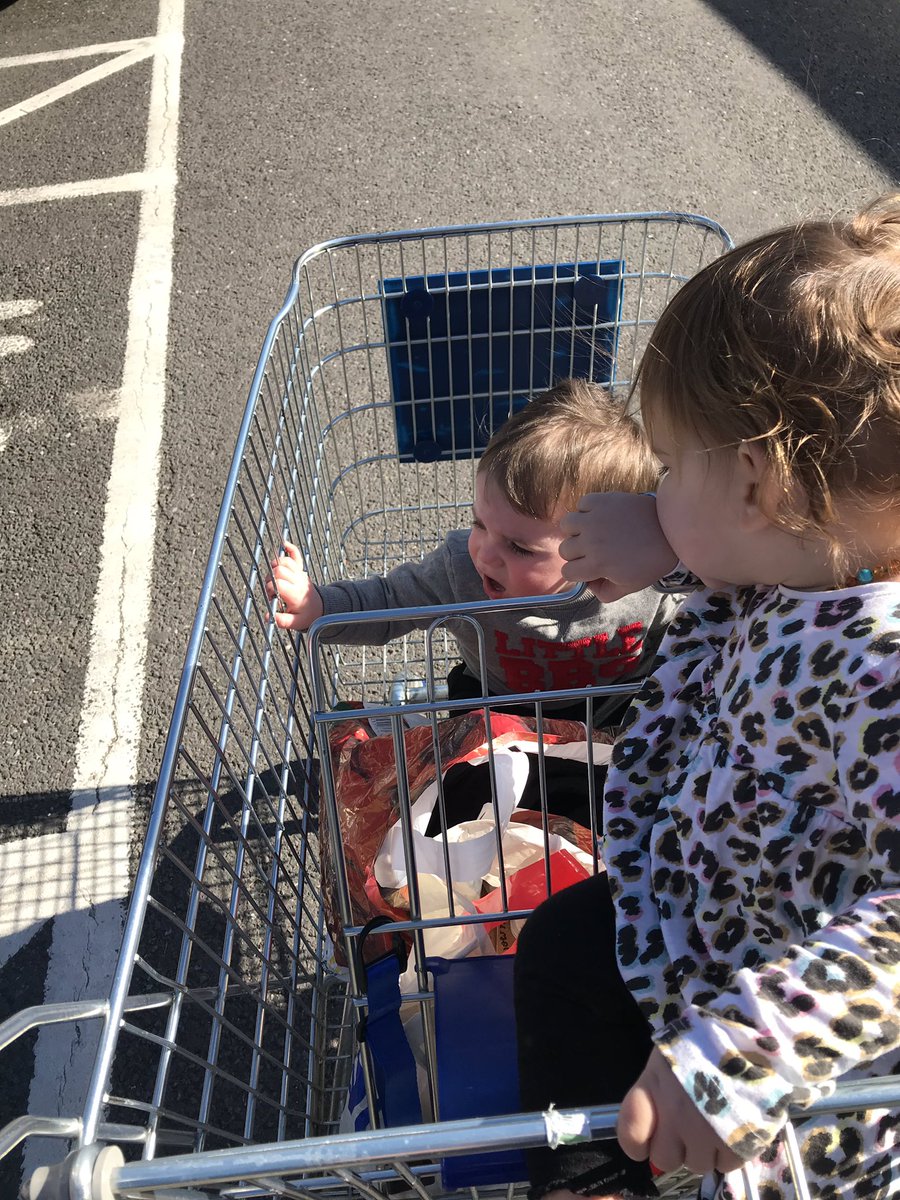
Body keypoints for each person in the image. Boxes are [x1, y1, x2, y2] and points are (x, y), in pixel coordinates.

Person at [514, 194, 900, 1200]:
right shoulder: (829, 557)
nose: (655, 484)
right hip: (699, 915)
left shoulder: (883, 667)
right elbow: (771, 574)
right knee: (562, 947)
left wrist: (741, 1051)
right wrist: (673, 533)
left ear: (758, 487)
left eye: (671, 465)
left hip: (787, 1033)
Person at [267, 378, 680, 732]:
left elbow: (687, 626)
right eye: (479, 523)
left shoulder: (645, 580)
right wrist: (320, 607)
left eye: (518, 547)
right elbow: (389, 602)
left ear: (600, 547)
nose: (484, 553)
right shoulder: (459, 573)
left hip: (612, 712)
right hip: (494, 711)